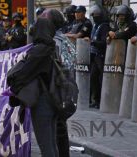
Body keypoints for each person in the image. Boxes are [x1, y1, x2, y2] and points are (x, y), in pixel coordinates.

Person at [7, 17, 59, 157]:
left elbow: (23, 74)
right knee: (51, 142)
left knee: (45, 145)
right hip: (54, 99)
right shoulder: (53, 48)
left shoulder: (39, 51)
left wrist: (13, 85)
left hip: (43, 102)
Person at [40, 9, 77, 157]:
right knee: (60, 128)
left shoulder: (55, 42)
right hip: (65, 90)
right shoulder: (64, 40)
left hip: (58, 90)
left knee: (56, 129)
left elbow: (58, 67)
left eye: (44, 19)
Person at [88, 5, 110, 109]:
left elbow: (103, 43)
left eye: (96, 16)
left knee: (100, 78)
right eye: (93, 16)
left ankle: (101, 101)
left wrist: (92, 42)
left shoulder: (104, 26)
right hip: (94, 56)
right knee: (93, 78)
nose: (94, 18)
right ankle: (95, 100)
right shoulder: (95, 26)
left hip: (101, 56)